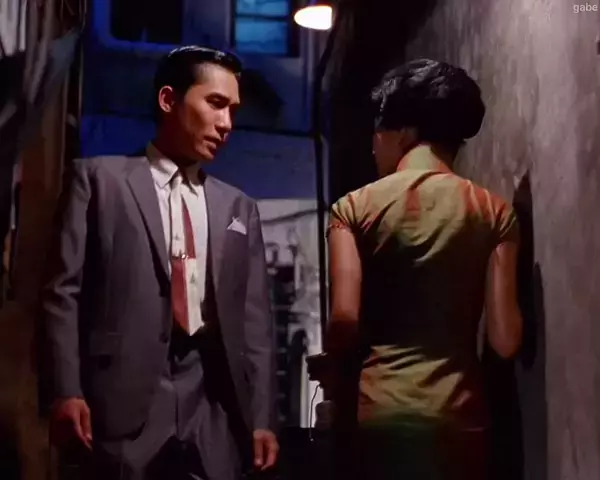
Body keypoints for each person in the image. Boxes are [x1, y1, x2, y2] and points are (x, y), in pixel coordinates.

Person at [41, 46, 279, 480]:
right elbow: (63, 293)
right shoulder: (99, 181)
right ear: (169, 100)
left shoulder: (238, 207)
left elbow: (256, 322)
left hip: (212, 403)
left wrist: (262, 418)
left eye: (233, 110)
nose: (227, 123)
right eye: (216, 103)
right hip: (120, 398)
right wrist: (65, 389)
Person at [323, 59, 523, 479]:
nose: (374, 148)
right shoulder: (495, 212)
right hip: (462, 419)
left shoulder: (352, 208)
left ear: (402, 133)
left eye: (377, 134)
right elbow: (505, 341)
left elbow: (344, 319)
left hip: (383, 416)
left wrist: (334, 375)